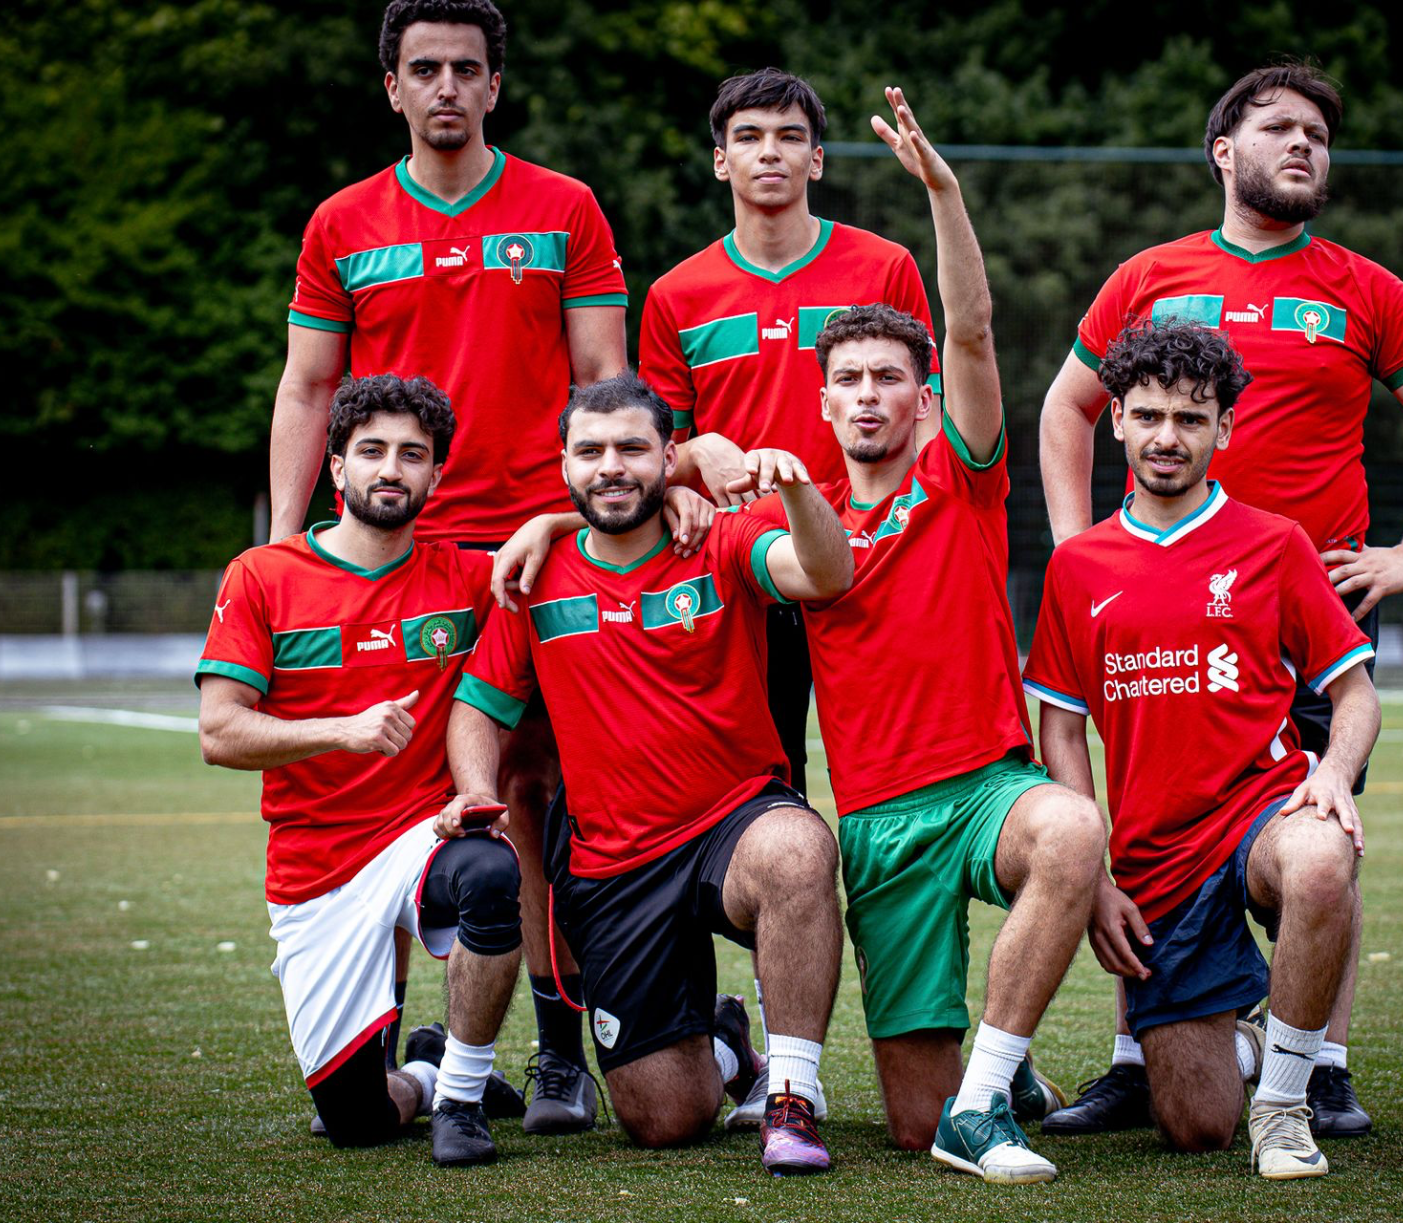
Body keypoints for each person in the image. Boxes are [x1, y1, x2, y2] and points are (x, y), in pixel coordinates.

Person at [1037, 61, 1403, 1137]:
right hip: (1162, 607)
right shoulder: (1149, 274)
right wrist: (1082, 555)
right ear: (1220, 152)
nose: (1301, 145)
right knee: (1147, 818)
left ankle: (1318, 1062)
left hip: (1307, 604)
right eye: (1278, 127)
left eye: (1317, 136)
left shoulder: (1363, 287)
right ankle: (1135, 1053)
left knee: (1323, 828)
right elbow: (1064, 410)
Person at [268, 0, 631, 1134]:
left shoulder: (563, 207)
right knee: (387, 791)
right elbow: (308, 387)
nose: (445, 87)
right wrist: (284, 539)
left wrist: (575, 523)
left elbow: (602, 385)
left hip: (533, 551)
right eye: (422, 68)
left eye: (465, 69)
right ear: (391, 87)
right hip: (393, 554)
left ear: (493, 85)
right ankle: (395, 1050)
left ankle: (561, 1055)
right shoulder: (341, 221)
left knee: (535, 791)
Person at [746, 89, 1109, 1184]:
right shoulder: (796, 521)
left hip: (987, 790)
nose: (867, 396)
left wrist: (943, 195)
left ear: (920, 396)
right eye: (847, 381)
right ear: (821, 402)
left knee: (1070, 832)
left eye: (887, 380)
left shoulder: (962, 471)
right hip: (878, 822)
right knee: (909, 1118)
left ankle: (985, 1097)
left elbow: (971, 326)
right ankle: (986, 1088)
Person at [443, 373, 853, 1174]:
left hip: (731, 819)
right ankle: (726, 1043)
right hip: (614, 862)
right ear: (564, 465)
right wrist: (476, 793)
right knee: (664, 1118)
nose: (611, 466)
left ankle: (790, 1097)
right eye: (590, 451)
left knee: (798, 849)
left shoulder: (720, 539)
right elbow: (476, 708)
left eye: (632, 448)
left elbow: (826, 574)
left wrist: (799, 491)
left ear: (669, 457)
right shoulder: (535, 577)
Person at [1025, 319, 1381, 1179]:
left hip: (1262, 810)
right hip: (1158, 859)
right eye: (1148, 416)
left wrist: (1333, 774)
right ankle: (1249, 1042)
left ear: (1223, 427)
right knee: (1194, 1126)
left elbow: (1354, 693)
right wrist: (1094, 877)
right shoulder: (1078, 564)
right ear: (1115, 419)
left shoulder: (1273, 542)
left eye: (1190, 418)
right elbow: (1061, 731)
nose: (1167, 437)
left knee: (1320, 858)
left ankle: (1285, 1105)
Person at [197, 374, 526, 1166]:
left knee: (489, 870)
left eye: (412, 454)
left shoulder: (466, 578)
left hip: (422, 833)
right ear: (337, 466)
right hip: (316, 866)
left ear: (436, 474)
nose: (391, 468)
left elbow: (581, 547)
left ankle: (461, 1097)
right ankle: (428, 1069)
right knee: (356, 1121)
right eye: (371, 451)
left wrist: (548, 522)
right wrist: (341, 730)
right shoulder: (262, 575)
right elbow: (219, 731)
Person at [640, 66, 942, 812]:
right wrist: (694, 454)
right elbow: (654, 459)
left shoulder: (885, 267)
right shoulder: (676, 295)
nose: (769, 151)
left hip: (869, 554)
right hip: (748, 568)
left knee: (896, 774)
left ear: (817, 159)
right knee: (764, 788)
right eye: (748, 137)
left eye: (789, 136)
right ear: (721, 161)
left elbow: (927, 422)